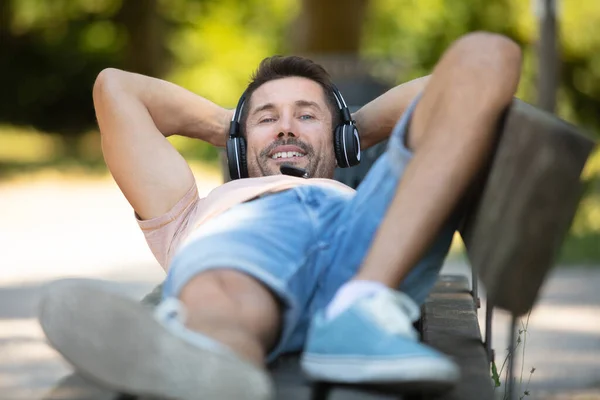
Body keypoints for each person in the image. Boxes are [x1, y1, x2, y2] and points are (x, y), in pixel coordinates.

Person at [38, 32, 521, 400]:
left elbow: (456, 87)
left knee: (488, 52)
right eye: (267, 118)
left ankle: (358, 312)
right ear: (237, 141)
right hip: (247, 249)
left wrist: (347, 132)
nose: (286, 127)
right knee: (225, 289)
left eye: (306, 115)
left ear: (341, 138)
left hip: (373, 248)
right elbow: (115, 88)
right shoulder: (194, 211)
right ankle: (213, 359)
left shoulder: (362, 194)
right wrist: (234, 126)